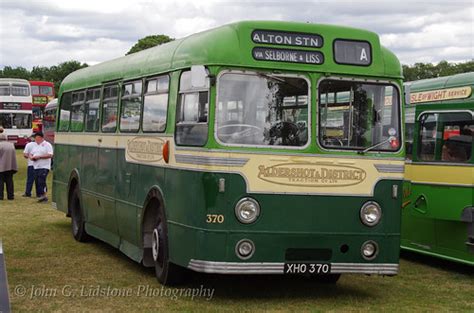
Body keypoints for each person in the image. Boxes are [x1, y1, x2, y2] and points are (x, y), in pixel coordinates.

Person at [28, 132, 53, 202]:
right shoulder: (35, 145)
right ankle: (40, 195)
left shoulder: (47, 145)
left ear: (41, 137)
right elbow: (31, 153)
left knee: (42, 180)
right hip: (36, 166)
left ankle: (44, 195)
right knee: (37, 181)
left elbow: (50, 155)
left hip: (44, 166)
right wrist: (31, 157)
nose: (36, 140)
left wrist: (40, 157)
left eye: (36, 138)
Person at [0, 133, 18, 200]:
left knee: (0, 181)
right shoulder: (11, 145)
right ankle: (10, 196)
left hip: (1, 166)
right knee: (9, 181)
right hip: (10, 166)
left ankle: (0, 196)